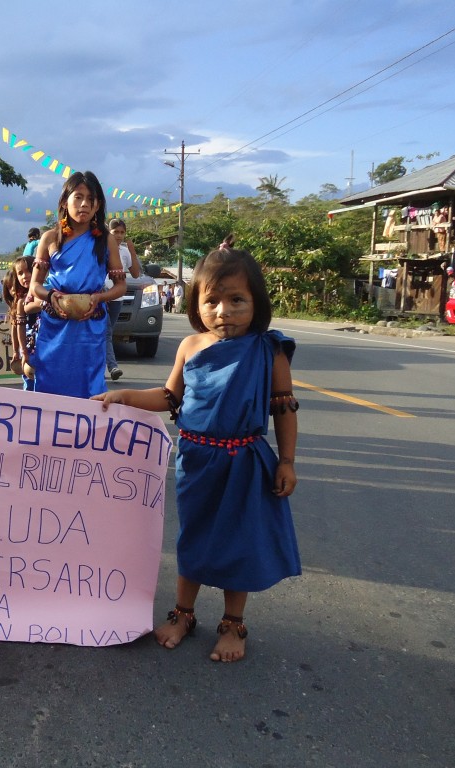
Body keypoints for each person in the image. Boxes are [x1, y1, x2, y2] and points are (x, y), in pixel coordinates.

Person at [93, 235, 301, 663]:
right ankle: (183, 613)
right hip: (195, 459)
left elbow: (284, 410)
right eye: (212, 301)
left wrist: (287, 461)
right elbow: (171, 399)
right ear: (196, 305)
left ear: (256, 302)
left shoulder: (269, 350)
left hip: (245, 463)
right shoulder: (190, 347)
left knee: (238, 542)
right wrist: (126, 396)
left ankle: (232, 623)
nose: (223, 311)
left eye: (237, 300)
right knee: (193, 538)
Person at [28, 171, 125, 398]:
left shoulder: (106, 240)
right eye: (78, 197)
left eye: (91, 199)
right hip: (54, 323)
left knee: (89, 387)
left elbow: (120, 287)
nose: (84, 204)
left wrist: (99, 298)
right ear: (65, 201)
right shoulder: (50, 238)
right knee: (50, 386)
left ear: (98, 204)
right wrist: (51, 296)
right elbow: (35, 286)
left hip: (90, 325)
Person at [105, 218, 142, 380]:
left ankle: (98, 367)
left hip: (117, 298)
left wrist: (132, 251)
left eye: (122, 232)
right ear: (109, 232)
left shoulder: (125, 251)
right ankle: (112, 366)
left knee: (106, 333)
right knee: (104, 333)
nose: (119, 236)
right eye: (115, 232)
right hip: (100, 296)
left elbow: (135, 274)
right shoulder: (101, 248)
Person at [2, 255, 43, 391]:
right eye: (20, 273)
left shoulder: (45, 291)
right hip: (29, 347)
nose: (25, 276)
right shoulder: (20, 301)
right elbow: (16, 328)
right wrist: (19, 352)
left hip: (46, 346)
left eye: (28, 271)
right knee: (30, 381)